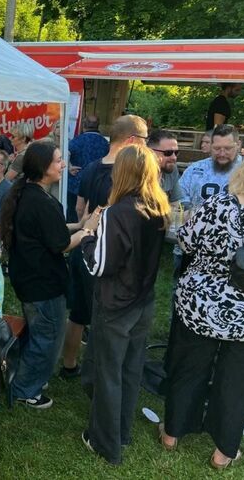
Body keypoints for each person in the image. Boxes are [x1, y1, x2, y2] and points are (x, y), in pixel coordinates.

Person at [161, 141, 244, 469]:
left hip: (202, 304)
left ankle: (172, 433)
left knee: (189, 369)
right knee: (238, 382)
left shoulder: (218, 203)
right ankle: (224, 452)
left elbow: (185, 240)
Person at [79, 144, 170, 465]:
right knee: (130, 369)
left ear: (123, 172)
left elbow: (99, 265)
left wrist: (88, 236)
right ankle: (122, 432)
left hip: (116, 303)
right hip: (143, 300)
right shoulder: (158, 207)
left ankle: (105, 443)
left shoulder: (117, 213)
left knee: (108, 373)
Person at [0, 140, 92, 408]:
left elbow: (50, 230)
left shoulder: (26, 193)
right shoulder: (41, 201)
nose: (63, 165)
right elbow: (61, 244)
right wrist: (87, 232)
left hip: (28, 279)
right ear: (43, 167)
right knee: (46, 338)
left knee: (38, 333)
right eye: (58, 160)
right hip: (43, 283)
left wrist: (79, 224)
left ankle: (28, 377)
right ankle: (25, 390)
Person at [61, 114, 148, 379]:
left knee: (78, 312)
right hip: (108, 256)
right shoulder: (129, 174)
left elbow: (81, 209)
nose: (146, 145)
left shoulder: (91, 167)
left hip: (83, 244)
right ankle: (99, 372)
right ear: (132, 140)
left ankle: (69, 364)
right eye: (145, 139)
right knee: (104, 317)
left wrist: (86, 229)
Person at [67, 115, 109, 223]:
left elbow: (65, 153)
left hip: (76, 184)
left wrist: (69, 166)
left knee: (73, 213)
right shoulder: (105, 143)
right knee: (94, 215)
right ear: (98, 126)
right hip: (97, 185)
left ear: (83, 126)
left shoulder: (77, 140)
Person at [148, 129, 182, 202]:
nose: (174, 157)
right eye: (168, 152)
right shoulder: (138, 173)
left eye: (176, 152)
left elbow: (176, 203)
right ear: (150, 152)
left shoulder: (171, 168)